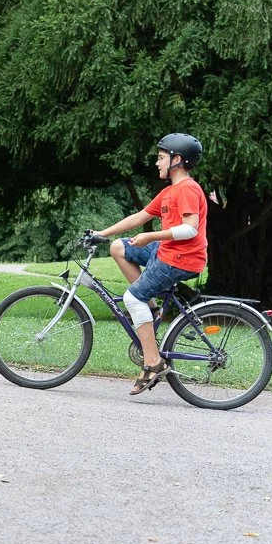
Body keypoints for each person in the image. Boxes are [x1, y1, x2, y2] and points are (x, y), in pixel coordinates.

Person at [88, 133, 208, 396]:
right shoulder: (168, 192)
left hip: (181, 258)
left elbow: (190, 229)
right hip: (165, 252)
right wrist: (103, 233)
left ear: (177, 160)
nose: (157, 163)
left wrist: (150, 236)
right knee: (119, 247)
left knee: (132, 299)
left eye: (161, 158)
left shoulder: (187, 188)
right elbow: (139, 216)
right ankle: (151, 309)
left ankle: (153, 362)